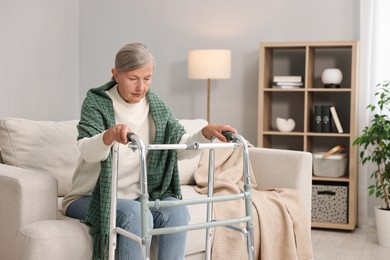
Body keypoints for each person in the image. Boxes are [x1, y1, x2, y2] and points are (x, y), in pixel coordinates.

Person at [62, 42, 237, 260]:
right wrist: (109, 135)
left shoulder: (156, 106)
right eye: (133, 78)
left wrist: (204, 133)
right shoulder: (97, 102)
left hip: (137, 197)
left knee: (177, 210)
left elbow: (177, 149)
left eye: (147, 78)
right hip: (88, 198)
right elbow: (88, 151)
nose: (141, 87)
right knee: (135, 214)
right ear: (116, 74)